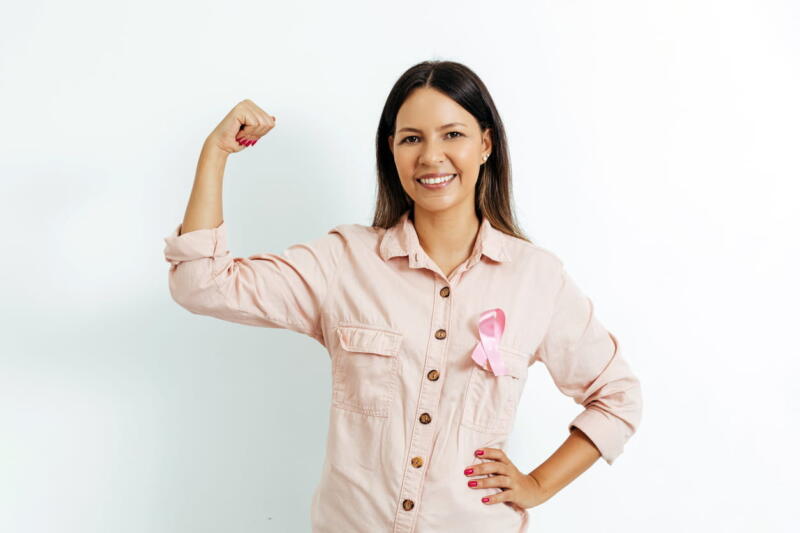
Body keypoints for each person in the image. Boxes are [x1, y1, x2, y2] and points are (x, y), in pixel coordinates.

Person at [163, 60, 643, 533]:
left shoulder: (537, 279)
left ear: (486, 144)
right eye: (412, 138)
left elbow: (618, 398)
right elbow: (202, 283)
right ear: (391, 149)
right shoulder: (344, 261)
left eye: (452, 134)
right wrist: (215, 152)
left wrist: (538, 483)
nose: (431, 156)